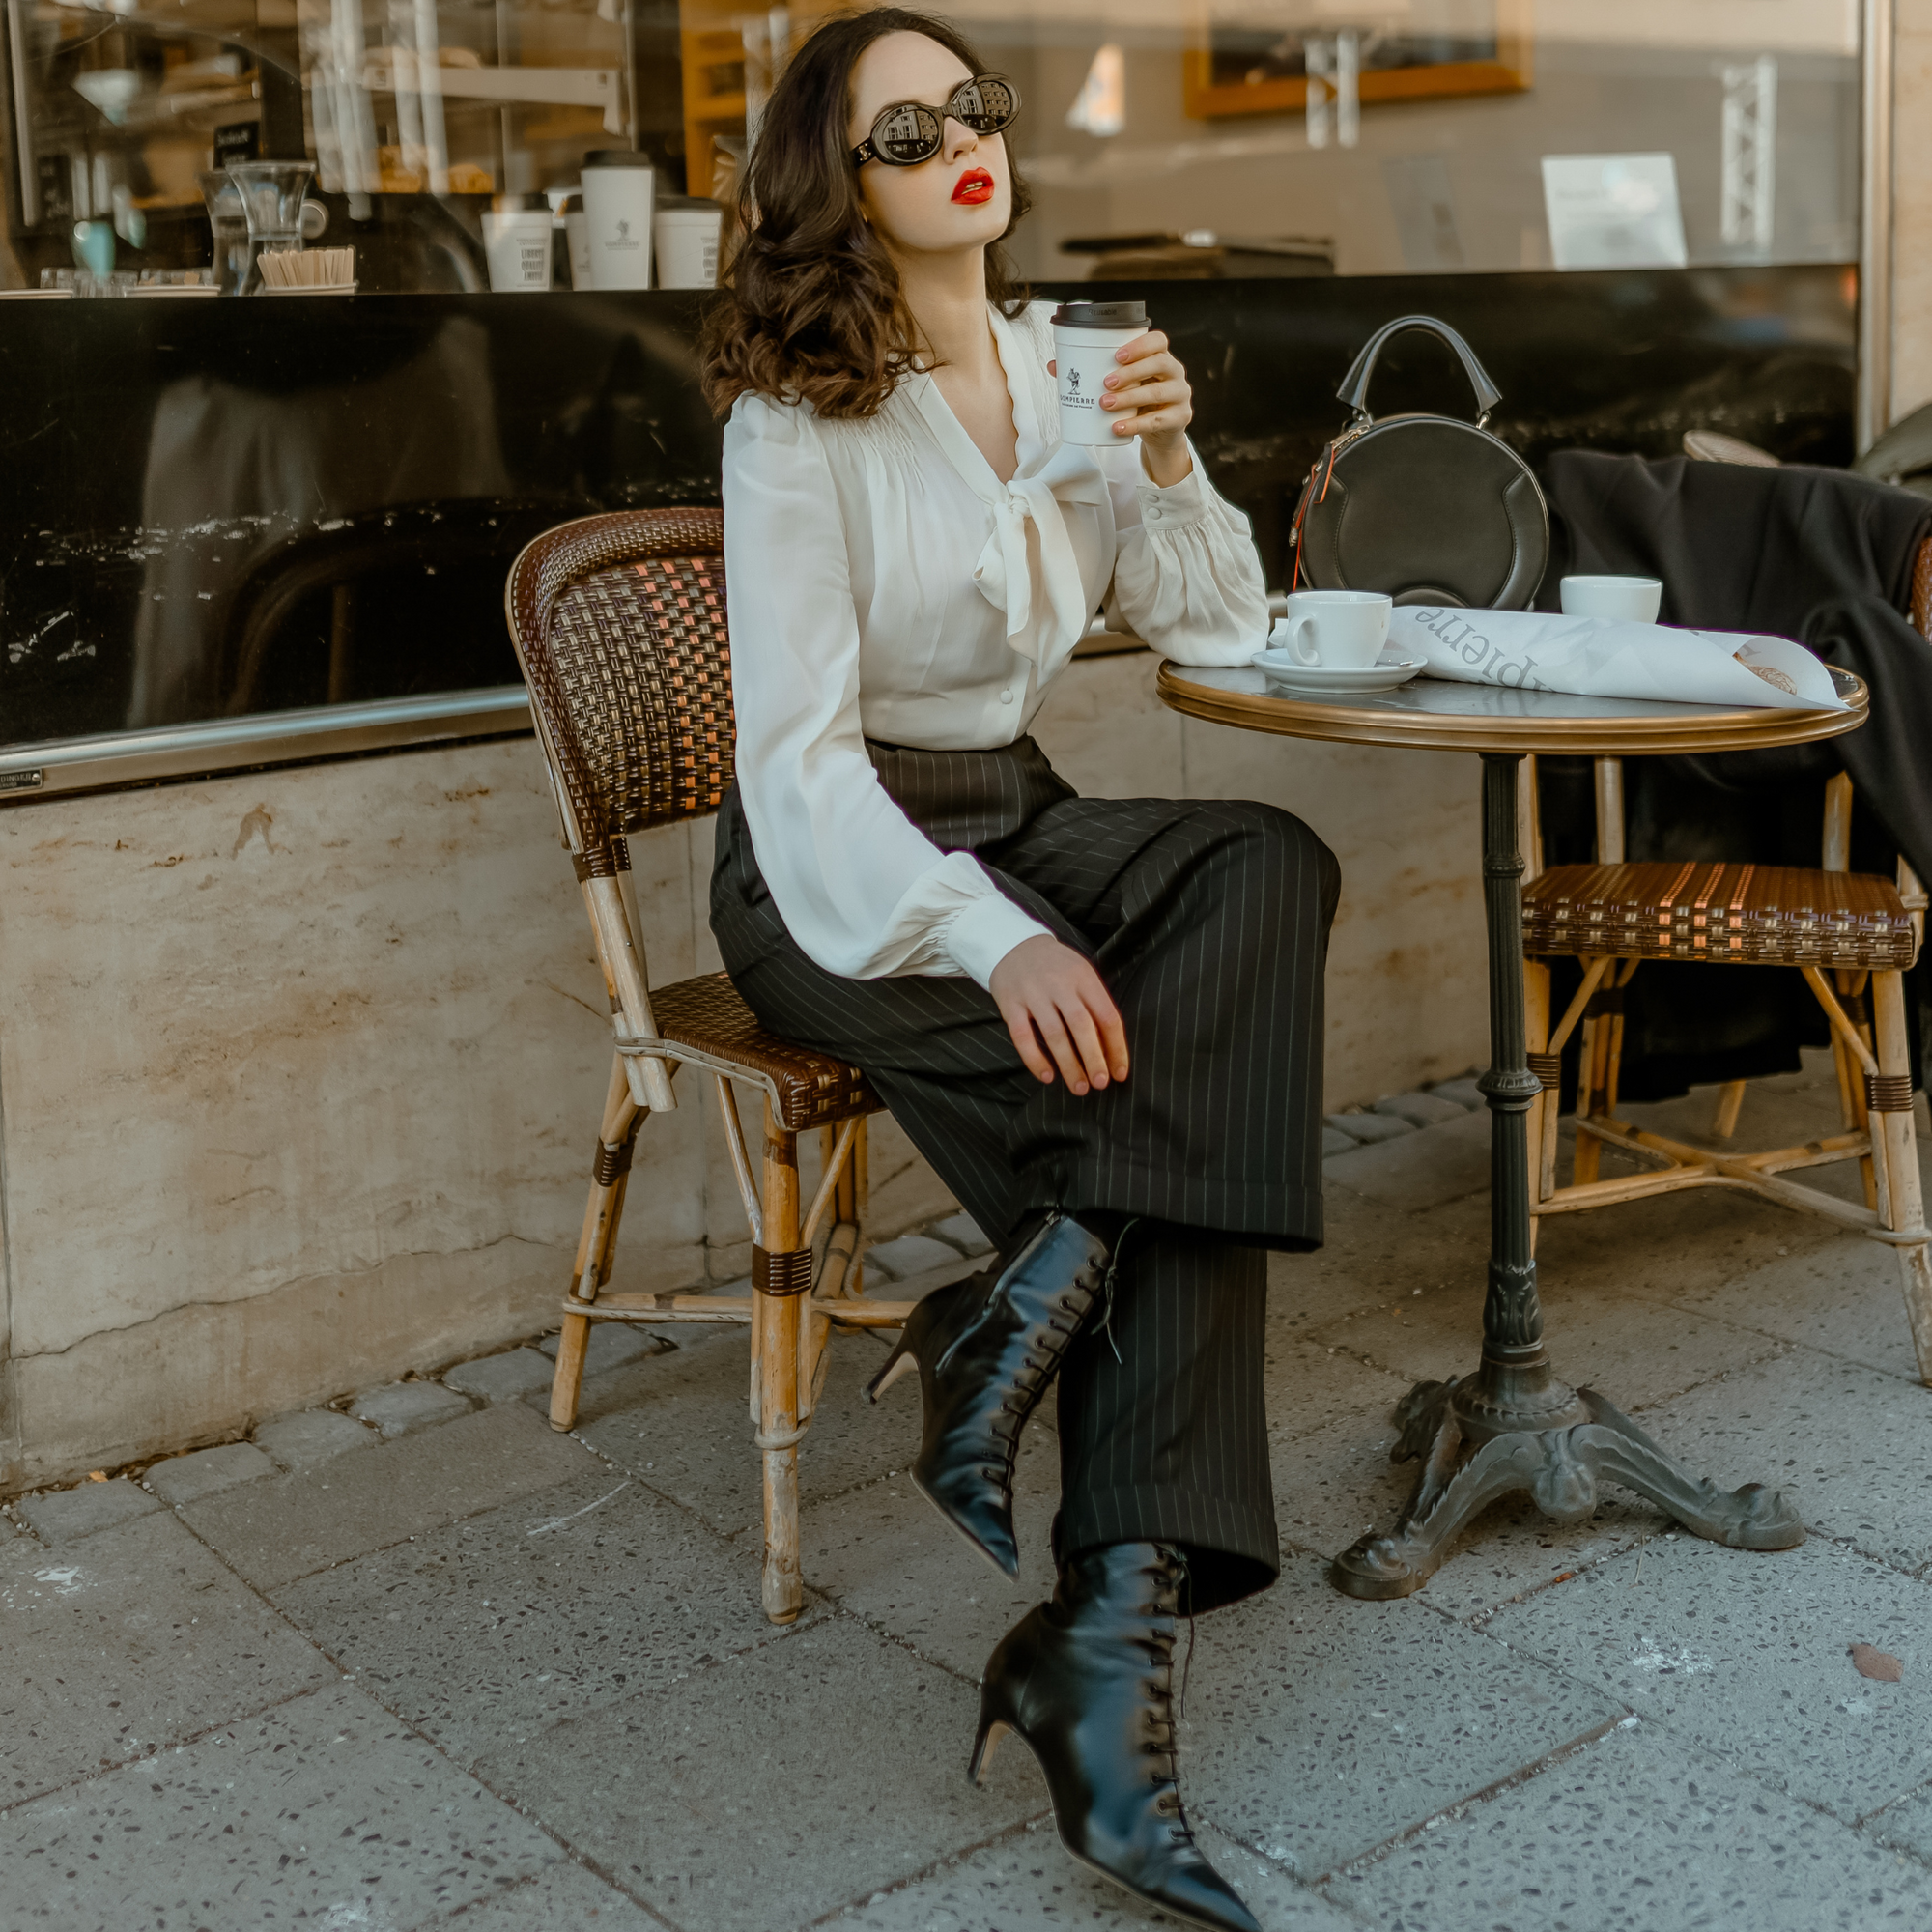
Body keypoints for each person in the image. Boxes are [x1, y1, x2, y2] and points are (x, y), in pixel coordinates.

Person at [700, 13, 1337, 1928]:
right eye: (908, 125)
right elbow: (796, 767)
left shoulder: (1069, 370)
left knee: (1264, 859)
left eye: (975, 106)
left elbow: (1218, 625)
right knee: (1162, 1116)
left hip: (1019, 803)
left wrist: (1167, 450)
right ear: (844, 175)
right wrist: (987, 937)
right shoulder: (793, 419)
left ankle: (1030, 1299)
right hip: (840, 870)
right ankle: (1108, 1663)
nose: (962, 139)